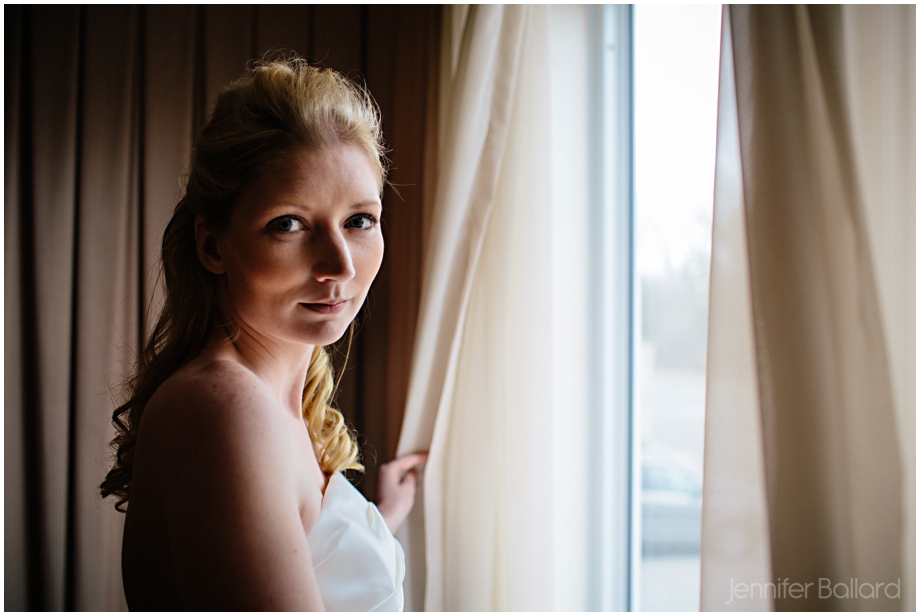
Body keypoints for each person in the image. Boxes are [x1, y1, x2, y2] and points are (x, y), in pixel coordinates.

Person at [100, 57, 426, 611]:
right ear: (212, 246)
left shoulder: (272, 404)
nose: (340, 265)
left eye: (359, 220)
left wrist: (373, 522)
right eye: (289, 224)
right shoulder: (226, 408)